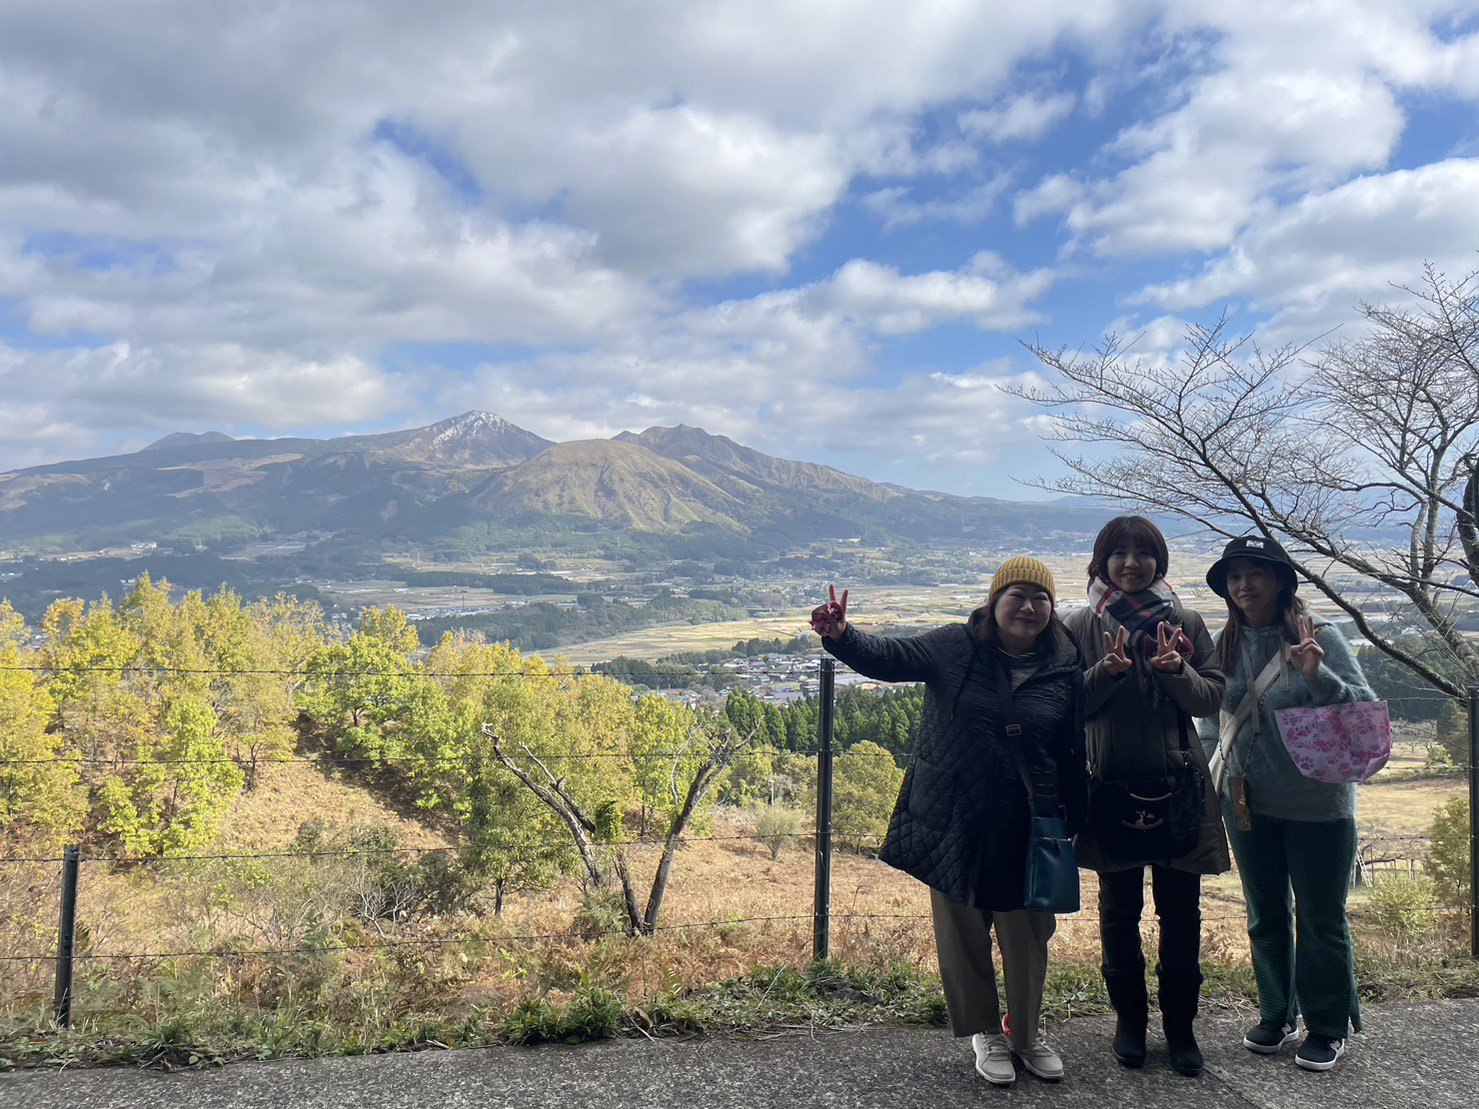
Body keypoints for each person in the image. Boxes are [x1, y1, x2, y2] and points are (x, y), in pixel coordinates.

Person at [811, 556, 1086, 1087]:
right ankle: (986, 1031)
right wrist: (843, 636)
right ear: (995, 601)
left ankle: (1027, 1034)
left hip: (1030, 818)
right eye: (1017, 595)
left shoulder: (1065, 661)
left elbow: (1071, 744)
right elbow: (891, 657)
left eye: (1041, 598)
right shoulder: (954, 646)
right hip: (955, 813)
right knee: (963, 929)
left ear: (1052, 609)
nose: (1028, 607)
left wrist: (1074, 812)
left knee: (1029, 933)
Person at [1200, 535, 1376, 1072]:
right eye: (1234, 576)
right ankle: (1277, 1012)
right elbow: (1212, 720)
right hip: (1245, 801)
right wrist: (1210, 779)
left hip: (1317, 804)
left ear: (1280, 580)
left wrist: (1316, 674)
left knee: (1321, 918)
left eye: (1256, 573)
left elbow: (1363, 710)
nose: (1244, 585)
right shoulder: (1224, 643)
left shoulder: (1318, 635)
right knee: (1265, 913)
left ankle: (1327, 1025)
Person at [1063, 516, 1228, 1078]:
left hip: (1178, 784)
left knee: (1182, 914)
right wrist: (1106, 673)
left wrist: (1177, 671)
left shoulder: (1184, 620)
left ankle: (1181, 1029)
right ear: (1101, 561)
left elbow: (1210, 698)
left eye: (1143, 552)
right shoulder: (1079, 626)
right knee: (1118, 913)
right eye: (1119, 553)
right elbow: (1067, 704)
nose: (1131, 563)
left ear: (1160, 560)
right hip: (1109, 784)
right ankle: (1129, 1022)